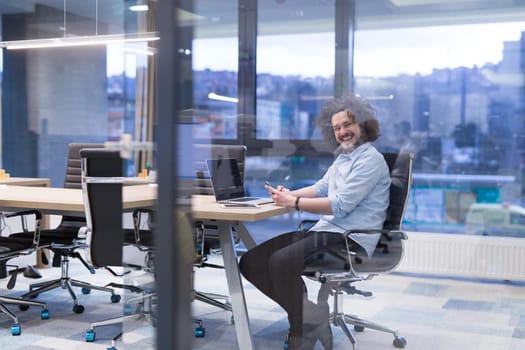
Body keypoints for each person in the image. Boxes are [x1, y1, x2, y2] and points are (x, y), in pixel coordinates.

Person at [238, 94, 391, 349]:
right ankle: (313, 316)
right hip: (327, 231)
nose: (342, 132)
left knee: (281, 262)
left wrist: (294, 204)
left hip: (351, 239)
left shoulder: (370, 160)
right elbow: (321, 188)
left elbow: (340, 205)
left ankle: (301, 328)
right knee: (250, 262)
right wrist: (288, 194)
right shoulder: (344, 158)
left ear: (362, 125)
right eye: (337, 128)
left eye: (347, 125)